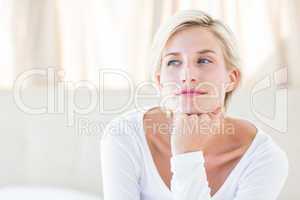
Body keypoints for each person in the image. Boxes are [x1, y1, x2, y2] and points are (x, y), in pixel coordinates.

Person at [101, 10, 289, 200]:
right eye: (174, 62)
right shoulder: (125, 135)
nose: (187, 75)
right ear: (159, 81)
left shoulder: (264, 159)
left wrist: (187, 155)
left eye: (204, 60)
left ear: (232, 78)